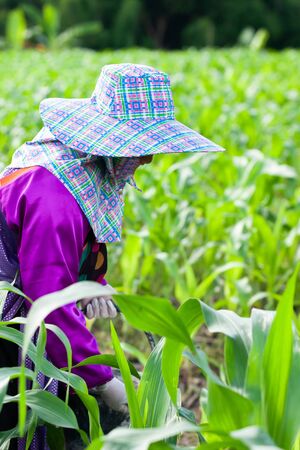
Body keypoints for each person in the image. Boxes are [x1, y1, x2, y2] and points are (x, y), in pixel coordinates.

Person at [0, 63, 224, 448]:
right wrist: (102, 381)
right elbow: (48, 306)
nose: (149, 160)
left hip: (27, 310)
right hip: (14, 324)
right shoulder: (53, 198)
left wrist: (90, 283)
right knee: (35, 420)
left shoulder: (73, 167)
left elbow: (58, 261)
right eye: (143, 148)